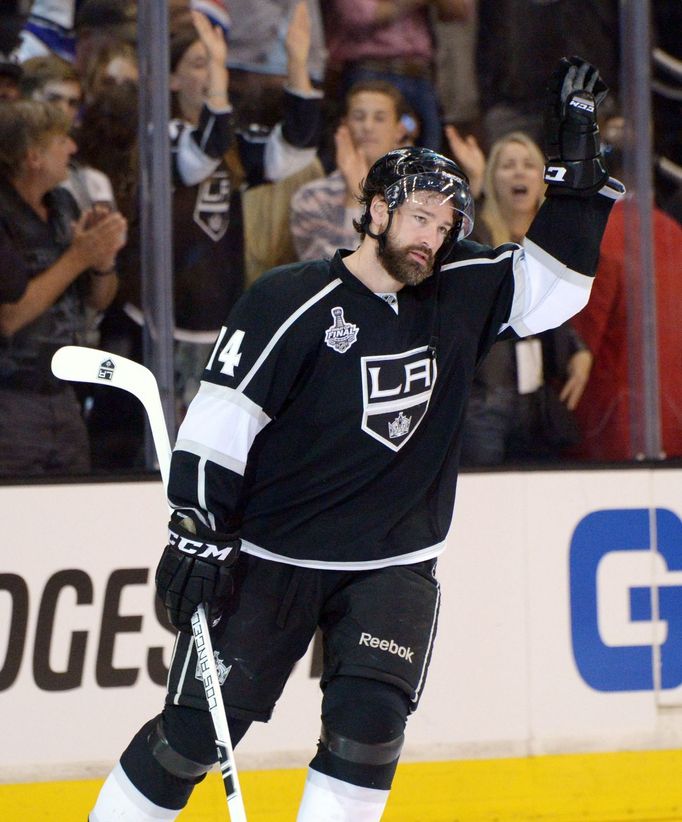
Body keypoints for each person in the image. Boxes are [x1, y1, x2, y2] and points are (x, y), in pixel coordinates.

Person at [89, 57, 623, 821]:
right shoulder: (290, 300)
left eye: (445, 225)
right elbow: (221, 422)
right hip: (272, 558)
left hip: (392, 565)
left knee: (368, 736)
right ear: (373, 210)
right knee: (192, 740)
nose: (432, 239)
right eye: (418, 218)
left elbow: (557, 288)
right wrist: (198, 532)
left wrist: (574, 175)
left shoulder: (459, 290)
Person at [446, 129, 593, 465]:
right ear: (493, 178)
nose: (518, 172)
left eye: (527, 164)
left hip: (535, 399)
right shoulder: (478, 239)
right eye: (507, 165)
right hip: (483, 398)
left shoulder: (553, 242)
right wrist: (475, 184)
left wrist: (578, 350)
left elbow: (555, 310)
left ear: (543, 179)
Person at [0, 100, 126, 476]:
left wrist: (101, 261)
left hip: (64, 394)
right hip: (10, 399)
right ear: (33, 156)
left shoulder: (63, 203)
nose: (72, 148)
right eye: (61, 140)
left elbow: (96, 301)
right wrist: (77, 257)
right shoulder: (4, 217)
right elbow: (10, 316)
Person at [322, 0, 473, 152]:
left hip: (419, 75)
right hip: (369, 72)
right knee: (367, 151)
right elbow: (360, 15)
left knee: (427, 159)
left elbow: (461, 10)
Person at [290, 79, 409, 262]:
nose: (368, 127)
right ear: (344, 126)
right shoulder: (312, 197)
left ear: (399, 130)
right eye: (359, 117)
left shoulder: (416, 195)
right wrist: (355, 199)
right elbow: (326, 272)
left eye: (379, 118)